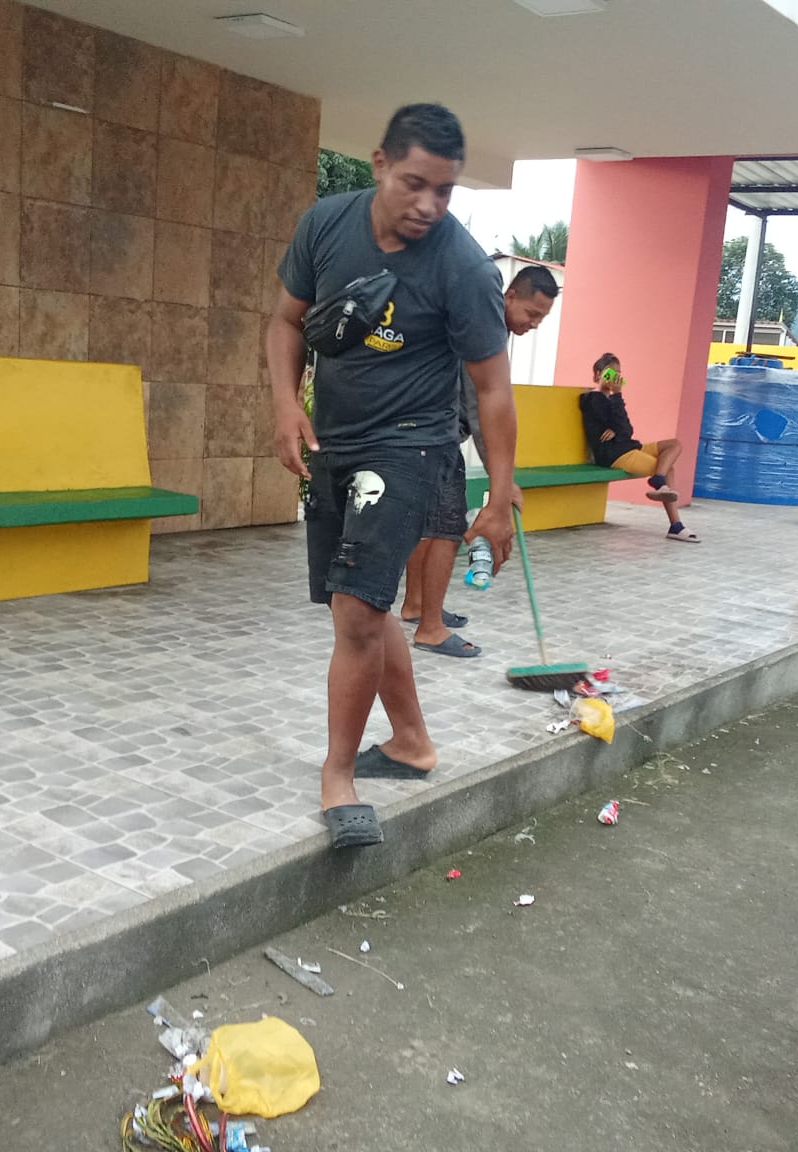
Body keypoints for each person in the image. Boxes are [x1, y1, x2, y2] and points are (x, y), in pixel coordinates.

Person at [266, 104, 519, 850]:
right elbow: (286, 321)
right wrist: (285, 404)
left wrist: (499, 493)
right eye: (415, 184)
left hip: (412, 446)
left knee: (355, 613)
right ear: (378, 163)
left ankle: (338, 777)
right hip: (335, 441)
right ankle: (410, 742)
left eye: (445, 190)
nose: (429, 205)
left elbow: (493, 389)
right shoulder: (325, 225)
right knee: (363, 607)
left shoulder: (463, 268)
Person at [400, 264, 559, 656]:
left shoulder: (480, 323)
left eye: (541, 318)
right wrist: (502, 484)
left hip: (422, 435)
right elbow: (482, 414)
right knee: (447, 528)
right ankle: (430, 629)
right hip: (434, 437)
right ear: (509, 296)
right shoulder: (482, 332)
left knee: (429, 528)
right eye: (531, 313)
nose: (534, 324)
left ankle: (417, 606)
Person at [579, 352, 699, 542]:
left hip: (629, 447)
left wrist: (617, 427)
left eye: (619, 373)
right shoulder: (592, 400)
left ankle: (659, 480)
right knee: (668, 468)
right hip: (615, 454)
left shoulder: (611, 400)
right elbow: (623, 430)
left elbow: (627, 430)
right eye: (611, 372)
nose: (616, 377)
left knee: (674, 445)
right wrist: (617, 397)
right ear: (599, 374)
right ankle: (675, 525)